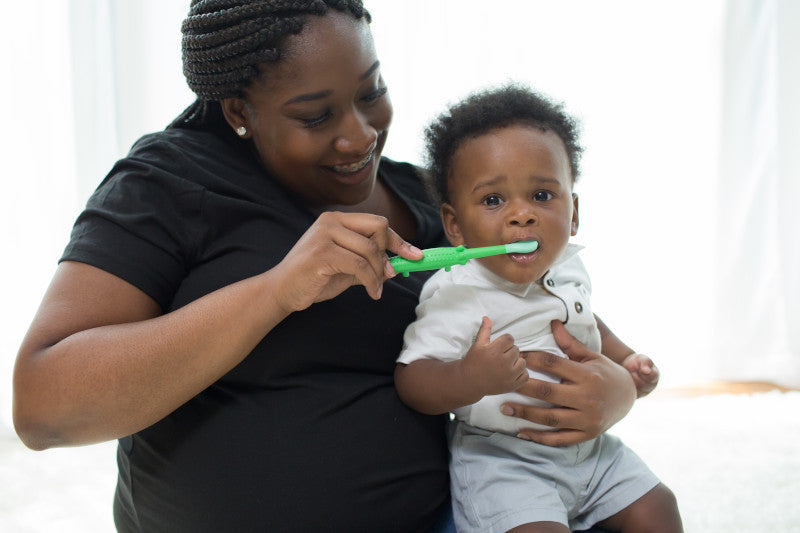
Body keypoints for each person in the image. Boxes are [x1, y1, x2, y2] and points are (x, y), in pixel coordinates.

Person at [12, 2, 639, 531]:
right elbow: (42, 409)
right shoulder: (169, 182)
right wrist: (276, 291)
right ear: (237, 111)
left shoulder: (431, 204)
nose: (360, 135)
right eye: (315, 116)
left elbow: (545, 315)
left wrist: (614, 394)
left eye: (372, 92)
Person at [394, 84, 683, 533]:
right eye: (493, 200)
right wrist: (469, 377)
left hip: (591, 450)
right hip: (503, 461)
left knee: (659, 507)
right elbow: (412, 378)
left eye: (543, 196)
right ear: (454, 226)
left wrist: (626, 360)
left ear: (573, 213)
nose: (521, 216)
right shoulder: (457, 292)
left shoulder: (568, 266)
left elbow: (583, 318)